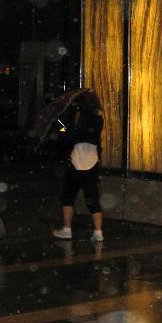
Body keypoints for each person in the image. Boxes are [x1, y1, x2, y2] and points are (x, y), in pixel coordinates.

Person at [52, 90, 105, 242]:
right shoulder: (98, 117)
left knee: (68, 197)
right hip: (92, 160)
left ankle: (67, 229)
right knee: (93, 199)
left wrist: (61, 126)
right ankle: (98, 232)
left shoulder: (75, 117)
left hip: (76, 159)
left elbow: (67, 134)